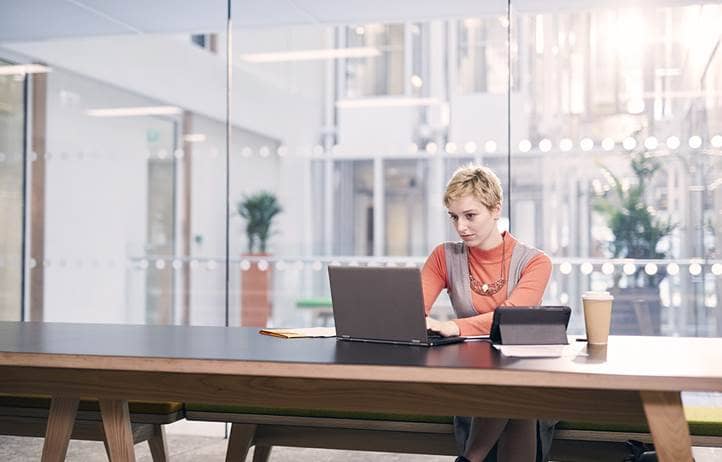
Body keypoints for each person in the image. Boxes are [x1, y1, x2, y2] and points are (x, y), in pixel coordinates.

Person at [422, 164, 553, 462]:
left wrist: (454, 326)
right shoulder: (444, 256)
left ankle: (471, 458)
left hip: (524, 369)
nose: (461, 227)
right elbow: (412, 310)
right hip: (476, 371)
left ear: (496, 209)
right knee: (518, 398)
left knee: (516, 385)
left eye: (470, 216)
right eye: (454, 217)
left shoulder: (535, 262)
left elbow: (510, 318)